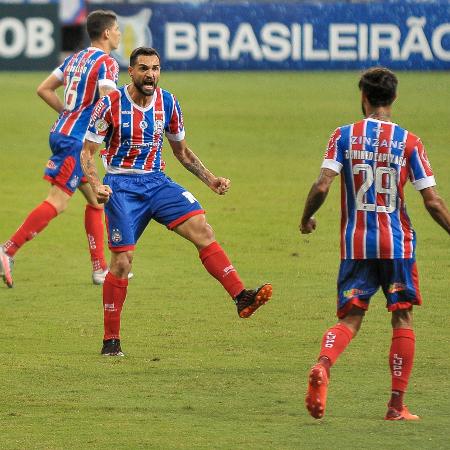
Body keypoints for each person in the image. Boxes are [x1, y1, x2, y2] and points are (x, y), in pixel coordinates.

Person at [80, 46, 273, 356]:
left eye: (155, 68)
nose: (150, 74)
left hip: (158, 183)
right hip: (122, 186)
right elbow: (87, 151)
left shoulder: (168, 102)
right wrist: (96, 185)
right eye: (144, 68)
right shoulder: (111, 104)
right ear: (132, 71)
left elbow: (181, 152)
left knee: (203, 230)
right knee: (122, 263)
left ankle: (241, 298)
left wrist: (211, 179)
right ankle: (110, 341)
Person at [299, 67, 450, 421]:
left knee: (351, 318)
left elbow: (322, 185)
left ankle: (323, 364)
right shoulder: (409, 142)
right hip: (397, 245)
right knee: (403, 317)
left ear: (363, 97)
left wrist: (306, 218)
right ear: (393, 98)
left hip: (356, 245)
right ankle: (396, 406)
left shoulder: (344, 135)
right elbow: (433, 201)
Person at [0, 10, 121, 287]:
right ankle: (7, 250)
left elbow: (44, 89)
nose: (118, 35)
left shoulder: (74, 59)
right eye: (117, 30)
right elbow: (107, 102)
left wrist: (69, 114)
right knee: (58, 200)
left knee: (96, 200)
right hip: (78, 143)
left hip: (62, 133)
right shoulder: (107, 64)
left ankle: (100, 270)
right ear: (106, 33)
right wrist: (115, 131)